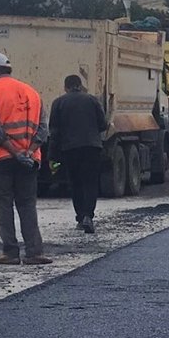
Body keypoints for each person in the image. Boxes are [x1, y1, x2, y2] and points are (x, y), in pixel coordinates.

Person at [0, 52, 52, 265]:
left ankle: (10, 252)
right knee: (27, 204)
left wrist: (14, 152)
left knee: (4, 204)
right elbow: (43, 130)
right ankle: (34, 252)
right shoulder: (33, 93)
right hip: (29, 159)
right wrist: (27, 151)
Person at [49, 74, 108, 234]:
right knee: (90, 182)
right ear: (80, 85)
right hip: (92, 147)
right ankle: (89, 216)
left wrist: (52, 155)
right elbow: (103, 125)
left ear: (66, 87)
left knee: (75, 183)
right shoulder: (92, 100)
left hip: (70, 149)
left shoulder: (58, 103)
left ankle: (80, 216)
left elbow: (54, 131)